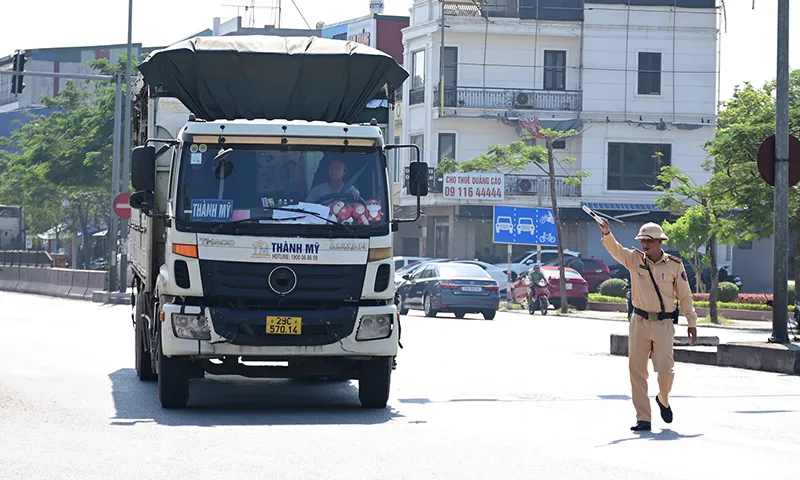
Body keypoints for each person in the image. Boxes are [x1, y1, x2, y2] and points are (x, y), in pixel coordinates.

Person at [597, 218, 697, 432]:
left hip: (664, 324)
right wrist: (606, 233)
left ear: (660, 242)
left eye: (649, 241)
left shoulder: (674, 265)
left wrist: (691, 321)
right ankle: (643, 418)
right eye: (642, 240)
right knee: (637, 371)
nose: (644, 244)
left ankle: (663, 398)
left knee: (666, 370)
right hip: (639, 322)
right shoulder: (634, 260)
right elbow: (616, 250)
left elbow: (685, 295)